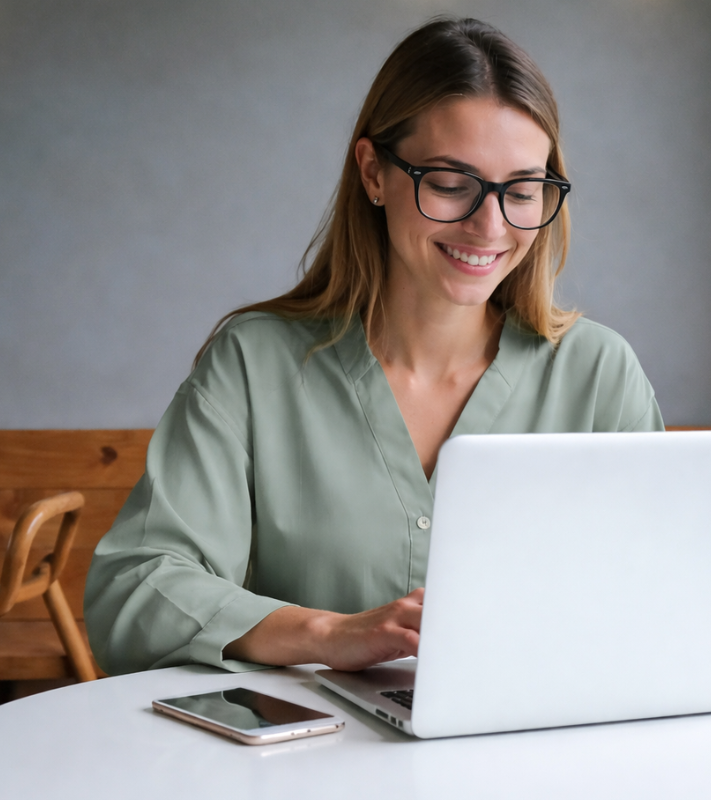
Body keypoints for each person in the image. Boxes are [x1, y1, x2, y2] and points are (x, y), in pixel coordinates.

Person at [84, 16, 664, 676]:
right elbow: (132, 591)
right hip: (304, 772)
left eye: (523, 190)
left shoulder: (599, 374)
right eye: (450, 183)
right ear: (373, 173)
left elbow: (662, 597)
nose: (490, 224)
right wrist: (325, 634)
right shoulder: (254, 365)